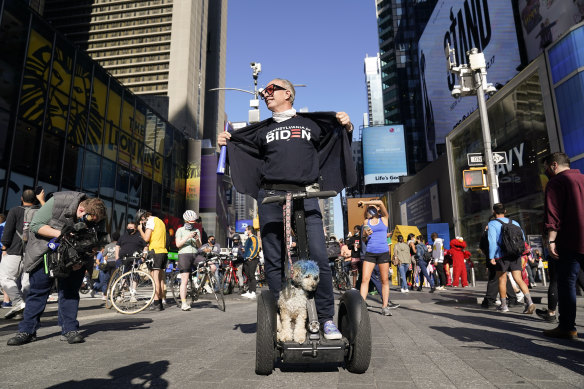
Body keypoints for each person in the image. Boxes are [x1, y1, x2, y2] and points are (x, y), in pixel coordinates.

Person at [219, 78, 356, 339]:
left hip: (306, 194)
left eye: (271, 90)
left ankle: (326, 320)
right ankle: (283, 316)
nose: (265, 94)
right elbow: (242, 150)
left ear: (288, 94)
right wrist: (228, 142)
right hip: (270, 196)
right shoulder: (261, 130)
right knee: (273, 259)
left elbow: (336, 140)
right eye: (263, 92)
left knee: (318, 255)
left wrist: (346, 125)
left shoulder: (310, 124)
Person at [7, 192, 106, 346]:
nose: (91, 224)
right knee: (38, 291)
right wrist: (64, 234)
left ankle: (69, 330)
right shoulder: (59, 201)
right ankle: (26, 331)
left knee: (70, 293)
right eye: (89, 220)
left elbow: (97, 242)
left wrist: (87, 254)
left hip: (74, 255)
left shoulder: (97, 217)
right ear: (80, 210)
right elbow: (36, 225)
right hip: (45, 252)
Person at [542, 152, 584, 339]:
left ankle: (567, 326)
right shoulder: (582, 178)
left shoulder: (556, 182)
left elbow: (553, 214)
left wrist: (551, 240)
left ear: (553, 165)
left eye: (545, 168)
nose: (545, 172)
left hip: (570, 240)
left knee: (566, 282)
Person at [0, 189, 44, 319]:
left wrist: (4, 247)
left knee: (5, 277)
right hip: (33, 252)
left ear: (21, 198)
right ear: (35, 199)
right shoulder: (39, 212)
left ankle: (18, 303)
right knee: (26, 282)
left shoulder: (15, 210)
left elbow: (8, 231)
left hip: (15, 250)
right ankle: (24, 311)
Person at [488, 203, 535, 314]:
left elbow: (492, 241)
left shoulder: (492, 224)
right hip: (515, 254)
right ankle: (529, 301)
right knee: (518, 278)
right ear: (505, 211)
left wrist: (491, 257)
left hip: (501, 255)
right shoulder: (514, 222)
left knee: (502, 279)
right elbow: (522, 239)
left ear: (494, 212)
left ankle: (504, 306)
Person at [358, 199, 395, 316]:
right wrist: (365, 234)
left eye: (373, 206)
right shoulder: (366, 221)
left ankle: (384, 307)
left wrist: (365, 202)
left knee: (384, 280)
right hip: (370, 253)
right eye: (369, 207)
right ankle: (362, 305)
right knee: (365, 279)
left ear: (378, 209)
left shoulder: (384, 218)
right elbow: (364, 239)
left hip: (383, 253)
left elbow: (380, 202)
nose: (371, 208)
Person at [136, 209, 167, 311]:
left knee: (154, 278)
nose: (143, 223)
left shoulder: (150, 221)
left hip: (155, 251)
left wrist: (140, 229)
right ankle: (161, 302)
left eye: (142, 221)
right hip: (163, 251)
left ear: (143, 217)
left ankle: (156, 302)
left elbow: (146, 238)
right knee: (160, 279)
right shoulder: (160, 221)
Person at [175, 210, 202, 311]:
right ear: (185, 221)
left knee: (211, 266)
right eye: (190, 222)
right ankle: (184, 303)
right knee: (185, 280)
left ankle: (199, 286)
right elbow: (178, 245)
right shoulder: (180, 230)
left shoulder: (197, 230)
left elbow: (199, 246)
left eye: (193, 222)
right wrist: (187, 237)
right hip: (184, 254)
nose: (192, 224)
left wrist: (197, 239)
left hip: (195, 254)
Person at [242, 226, 260, 299]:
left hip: (252, 259)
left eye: (246, 230)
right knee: (248, 275)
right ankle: (249, 291)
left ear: (250, 231)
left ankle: (253, 292)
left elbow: (256, 248)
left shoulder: (254, 238)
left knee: (251, 275)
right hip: (246, 259)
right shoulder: (248, 239)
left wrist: (251, 257)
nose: (245, 231)